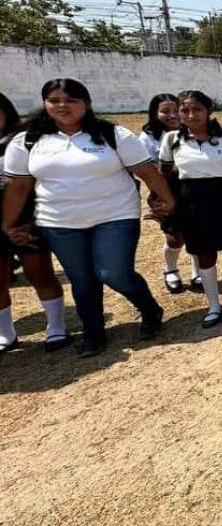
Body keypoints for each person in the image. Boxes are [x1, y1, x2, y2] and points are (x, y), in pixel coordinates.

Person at [2, 78, 176, 358]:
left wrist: (167, 199)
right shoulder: (27, 141)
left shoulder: (112, 135)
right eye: (55, 100)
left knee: (114, 273)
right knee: (82, 279)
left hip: (115, 214)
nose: (63, 106)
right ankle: (93, 332)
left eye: (71, 100)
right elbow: (18, 187)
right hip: (58, 221)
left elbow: (147, 172)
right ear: (45, 104)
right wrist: (8, 223)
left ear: (87, 104)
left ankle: (149, 309)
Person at [160, 90, 222, 327]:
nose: (191, 115)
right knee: (203, 253)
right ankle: (213, 305)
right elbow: (164, 174)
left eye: (197, 109)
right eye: (185, 110)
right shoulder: (172, 139)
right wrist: (162, 201)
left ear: (209, 111)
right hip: (192, 201)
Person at [0, 91, 71, 354]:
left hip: (25, 219)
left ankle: (55, 326)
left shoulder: (23, 141)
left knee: (38, 273)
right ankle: (6, 333)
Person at [139, 92, 200, 294]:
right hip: (166, 188)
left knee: (195, 231)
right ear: (155, 113)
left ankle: (197, 272)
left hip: (192, 186)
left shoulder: (192, 131)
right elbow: (147, 170)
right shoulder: (148, 138)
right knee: (174, 236)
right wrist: (157, 193)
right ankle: (171, 269)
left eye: (176, 110)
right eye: (165, 111)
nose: (172, 115)